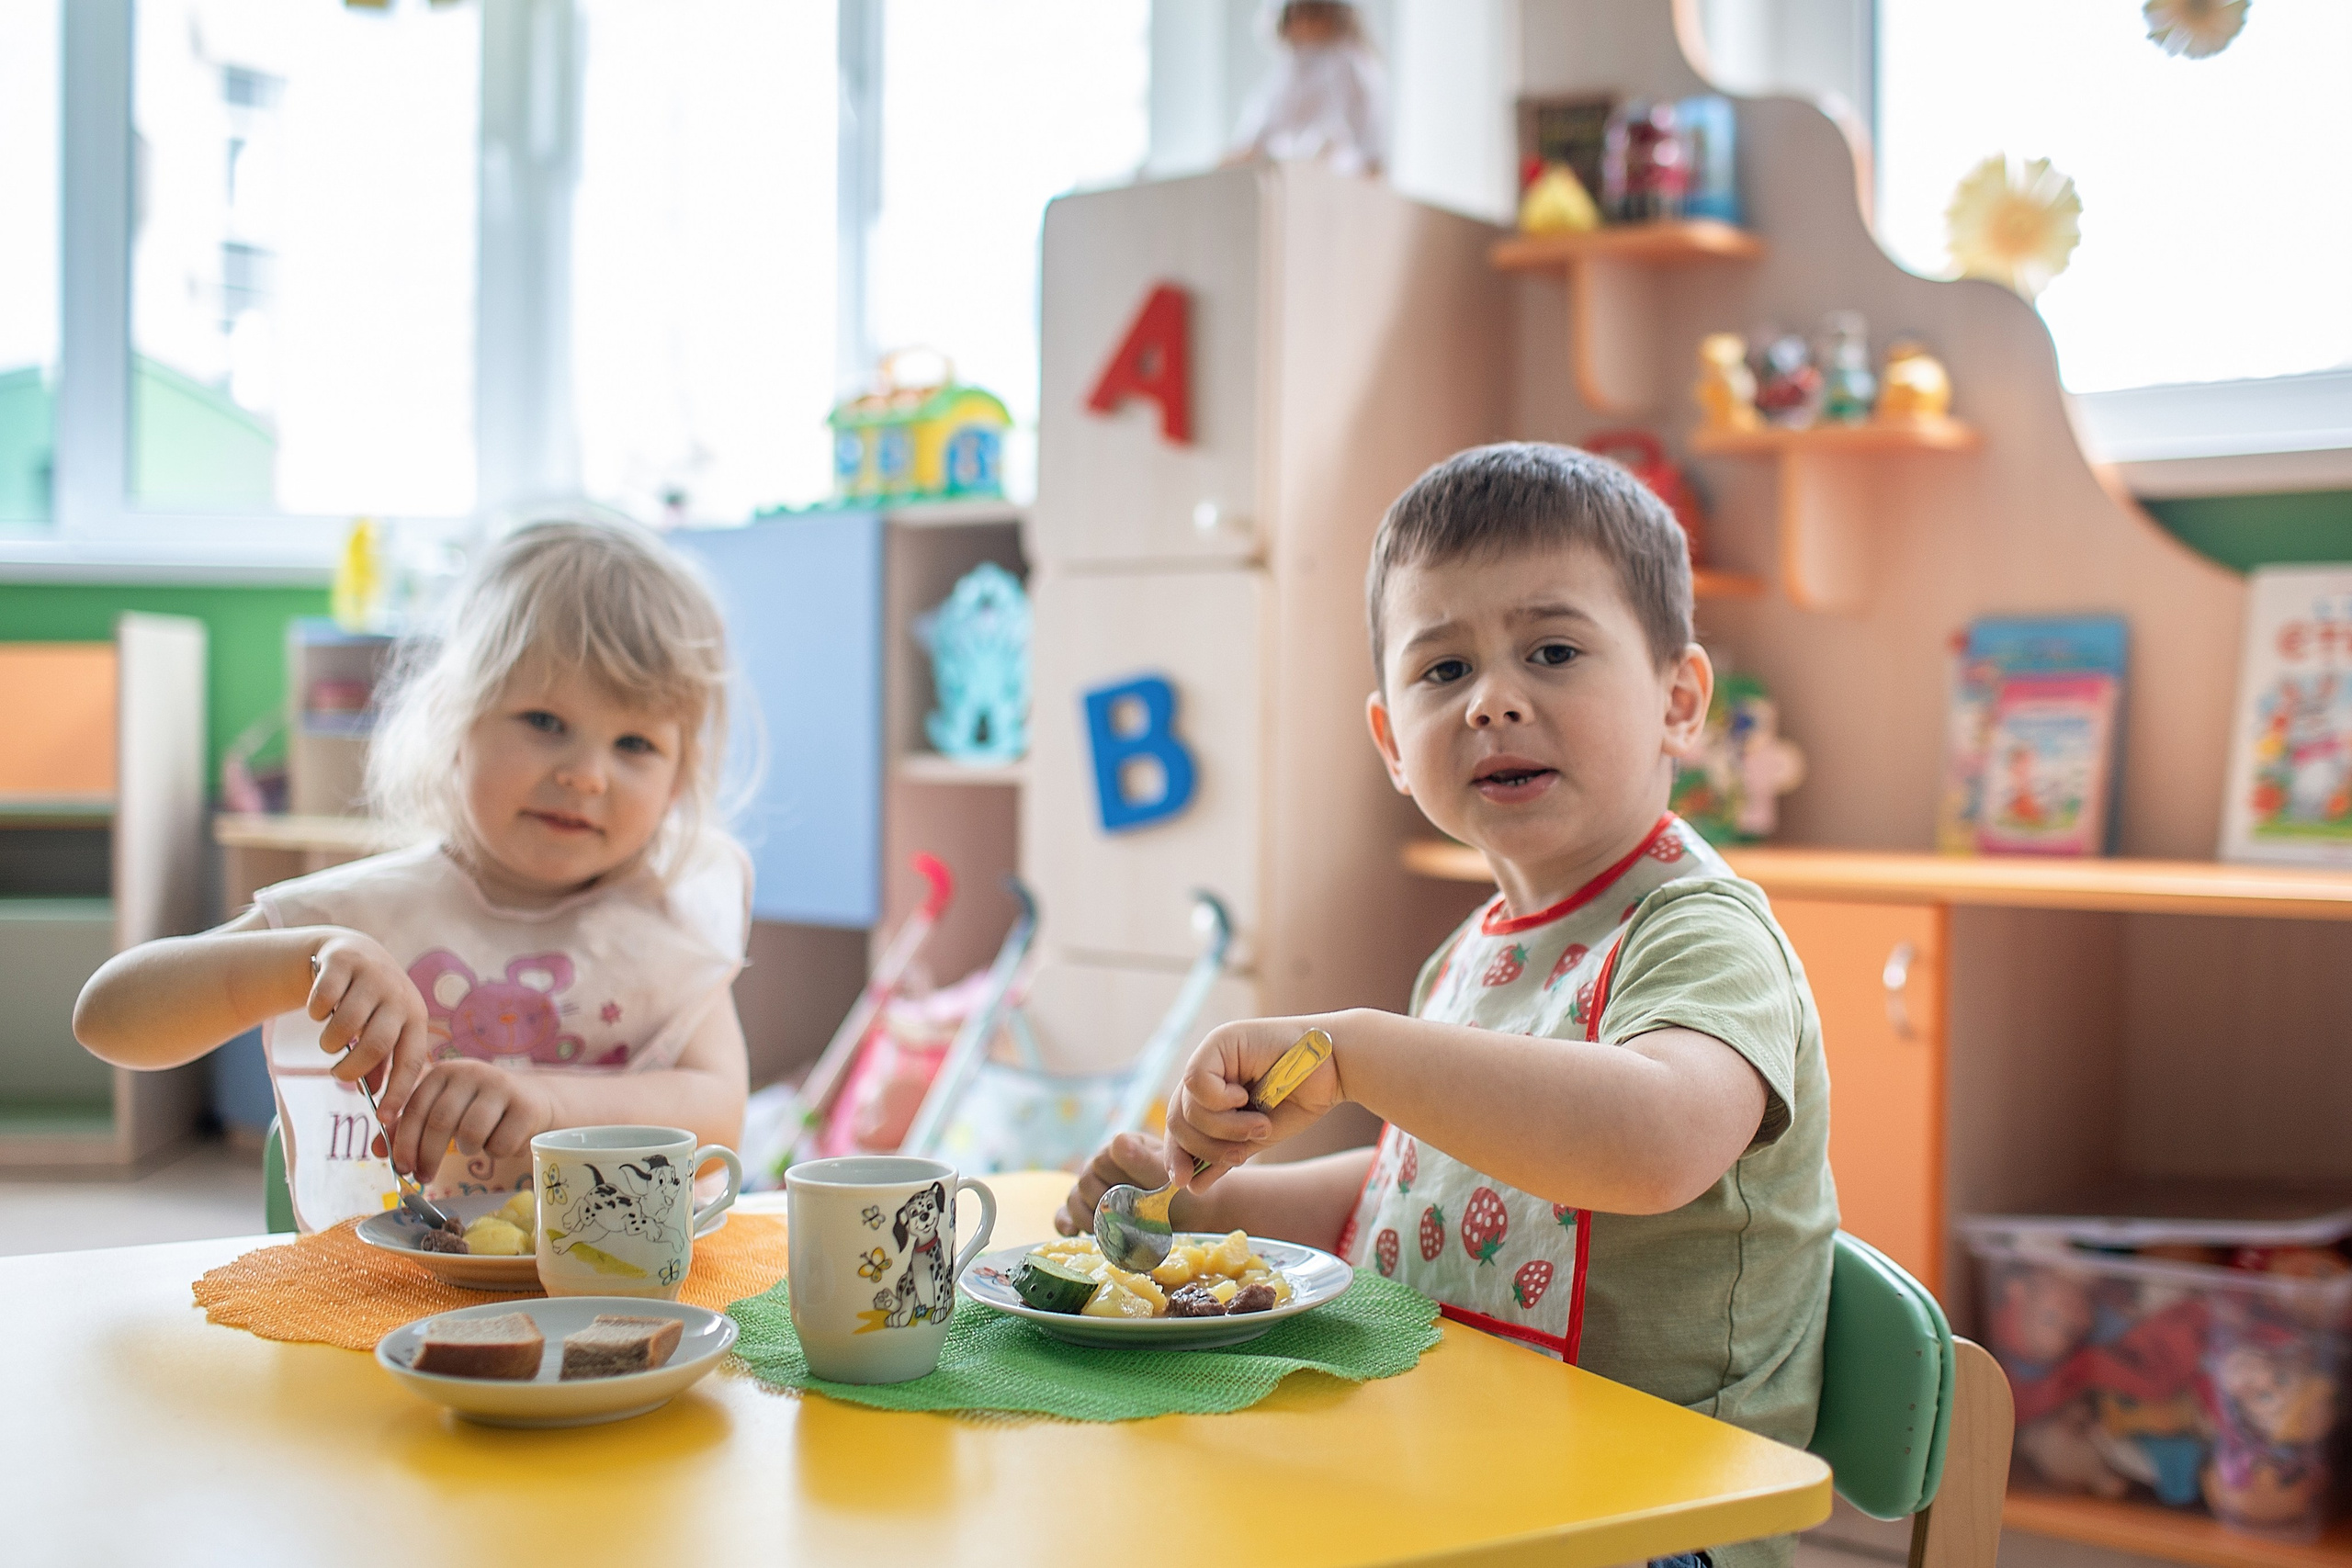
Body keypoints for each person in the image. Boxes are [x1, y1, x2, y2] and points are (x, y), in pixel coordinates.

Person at [1060, 444, 1835, 1568]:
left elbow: (1654, 1144)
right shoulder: (1471, 955)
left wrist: (1363, 1050)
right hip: (1462, 1472)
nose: (1494, 701)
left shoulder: (1700, 933)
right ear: (1390, 742)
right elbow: (1414, 1196)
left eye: (1553, 651)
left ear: (1678, 701)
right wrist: (1200, 1214)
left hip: (1655, 1522)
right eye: (1442, 672)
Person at [76, 518, 752, 1232]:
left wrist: (551, 1109)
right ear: (455, 720)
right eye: (545, 721)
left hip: (616, 1287)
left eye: (635, 742)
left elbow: (719, 1120)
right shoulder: (365, 913)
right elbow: (107, 1016)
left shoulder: (668, 916)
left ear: (681, 777)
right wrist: (301, 961)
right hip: (388, 1303)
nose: (585, 775)